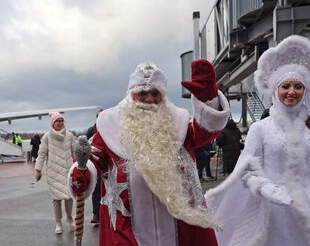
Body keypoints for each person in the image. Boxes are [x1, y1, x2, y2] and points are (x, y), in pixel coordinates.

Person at [69, 60, 231, 245]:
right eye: (142, 93)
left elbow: (206, 130)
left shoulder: (179, 124)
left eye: (155, 94)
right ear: (131, 95)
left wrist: (207, 99)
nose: (149, 99)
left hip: (180, 226)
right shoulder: (110, 125)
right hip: (126, 228)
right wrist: (82, 171)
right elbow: (93, 156)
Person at [205, 35, 310, 246]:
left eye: (298, 86)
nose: (292, 92)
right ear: (276, 90)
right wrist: (266, 188)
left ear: (305, 91)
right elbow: (245, 171)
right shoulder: (260, 128)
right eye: (286, 86)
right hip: (273, 210)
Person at [34, 111, 77, 234]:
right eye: (57, 121)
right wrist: (38, 169)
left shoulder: (70, 136)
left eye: (61, 120)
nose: (60, 123)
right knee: (56, 199)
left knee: (69, 198)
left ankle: (70, 219)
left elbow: (75, 154)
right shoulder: (47, 136)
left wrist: (79, 166)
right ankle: (58, 222)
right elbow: (41, 154)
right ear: (52, 123)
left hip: (68, 171)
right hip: (53, 172)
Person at [86, 108, 104, 225]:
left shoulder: (111, 129)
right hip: (96, 164)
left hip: (107, 164)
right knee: (96, 189)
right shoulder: (92, 130)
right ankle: (96, 214)